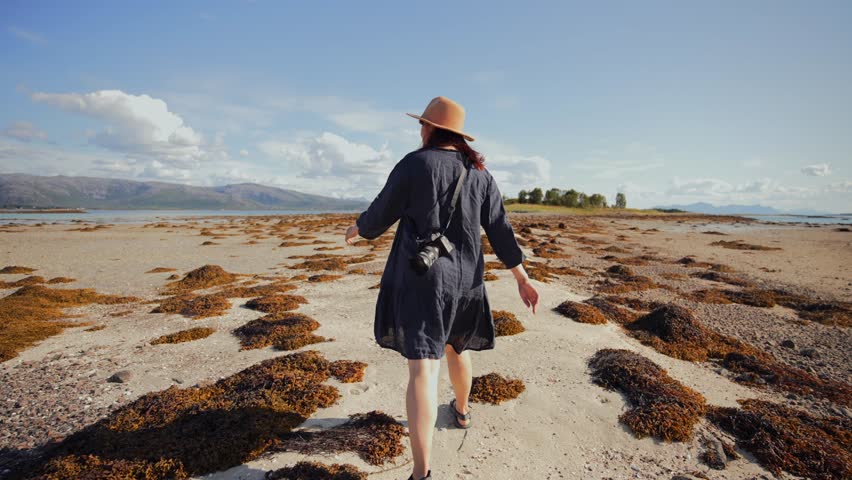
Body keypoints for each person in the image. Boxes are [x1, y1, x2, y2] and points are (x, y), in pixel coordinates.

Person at [344, 96, 539, 480]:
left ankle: (421, 473)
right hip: (466, 280)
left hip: (421, 281)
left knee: (422, 372)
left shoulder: (415, 165)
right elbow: (500, 229)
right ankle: (462, 412)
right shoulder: (480, 174)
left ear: (433, 128)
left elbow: (382, 211)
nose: (420, 130)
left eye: (422, 124)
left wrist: (358, 229)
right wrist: (521, 277)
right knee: (457, 347)